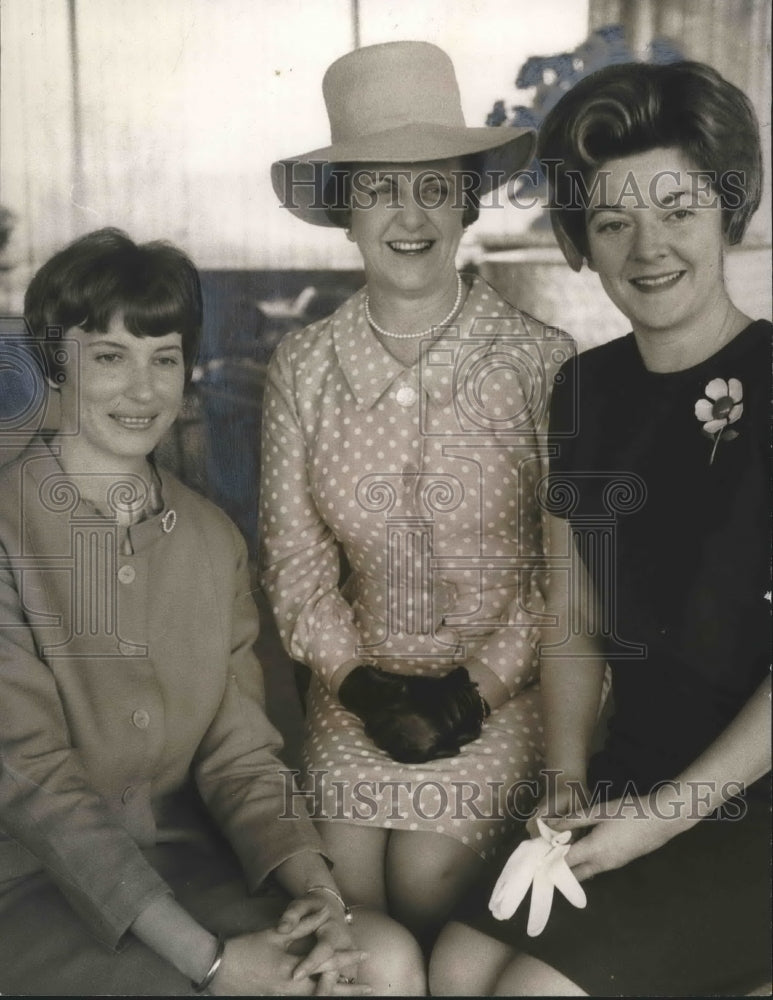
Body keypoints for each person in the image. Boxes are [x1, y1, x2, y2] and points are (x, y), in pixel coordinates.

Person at [0, 228, 425, 996]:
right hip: (32, 890)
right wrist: (213, 963)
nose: (143, 388)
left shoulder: (212, 537)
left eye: (164, 358)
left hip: (191, 869)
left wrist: (318, 898)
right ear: (52, 366)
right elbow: (32, 784)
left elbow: (240, 758)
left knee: (382, 958)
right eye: (108, 356)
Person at [429, 60, 772, 996]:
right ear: (579, 238)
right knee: (454, 971)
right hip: (634, 771)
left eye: (676, 210)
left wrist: (659, 819)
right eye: (611, 221)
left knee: (530, 994)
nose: (646, 247)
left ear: (725, 214)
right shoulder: (584, 392)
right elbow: (574, 622)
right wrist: (570, 779)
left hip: (753, 797)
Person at [262, 40, 570, 947]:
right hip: (351, 683)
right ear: (343, 210)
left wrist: (473, 693)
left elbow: (564, 574)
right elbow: (294, 561)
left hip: (503, 691)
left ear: (468, 201)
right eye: (379, 186)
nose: (409, 214)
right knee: (353, 884)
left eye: (434, 186)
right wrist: (358, 684)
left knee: (425, 875)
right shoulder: (302, 366)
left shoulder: (541, 361)